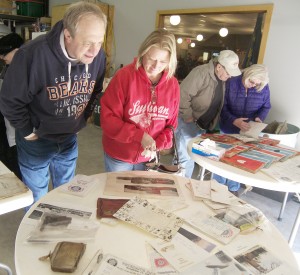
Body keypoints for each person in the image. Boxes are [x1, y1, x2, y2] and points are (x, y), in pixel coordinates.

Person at [0, 1, 107, 205]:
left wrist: (81, 120)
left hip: (69, 138)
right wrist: (27, 130)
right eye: (87, 43)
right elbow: (9, 101)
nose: (94, 51)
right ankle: (35, 235)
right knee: (37, 198)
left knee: (66, 193)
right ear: (68, 35)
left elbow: (96, 89)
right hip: (36, 140)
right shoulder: (31, 55)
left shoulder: (97, 55)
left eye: (99, 42)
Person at [100, 29, 179, 172]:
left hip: (149, 157)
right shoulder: (124, 77)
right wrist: (139, 136)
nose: (156, 66)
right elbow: (108, 119)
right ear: (143, 53)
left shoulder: (172, 84)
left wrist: (157, 145)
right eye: (151, 59)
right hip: (120, 155)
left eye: (163, 61)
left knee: (142, 194)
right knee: (118, 193)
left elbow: (171, 125)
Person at [175, 50, 241, 178]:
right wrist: (188, 116)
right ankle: (180, 188)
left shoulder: (221, 77)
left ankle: (184, 184)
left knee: (193, 158)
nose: (230, 76)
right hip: (188, 122)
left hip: (202, 125)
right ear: (219, 66)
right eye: (228, 72)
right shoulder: (201, 73)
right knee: (185, 159)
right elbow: (181, 95)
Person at [214, 64, 271, 195]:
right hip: (228, 126)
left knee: (239, 160)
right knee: (222, 157)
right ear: (247, 74)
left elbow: (266, 106)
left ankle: (233, 188)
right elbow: (222, 105)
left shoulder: (263, 86)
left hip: (248, 130)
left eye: (257, 84)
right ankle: (218, 187)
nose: (253, 85)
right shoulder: (231, 81)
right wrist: (234, 120)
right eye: (251, 81)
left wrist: (258, 118)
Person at [0, 33, 24, 179]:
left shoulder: (27, 68)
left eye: (4, 53)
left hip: (20, 132)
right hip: (7, 129)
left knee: (20, 169)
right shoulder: (8, 67)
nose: (2, 57)